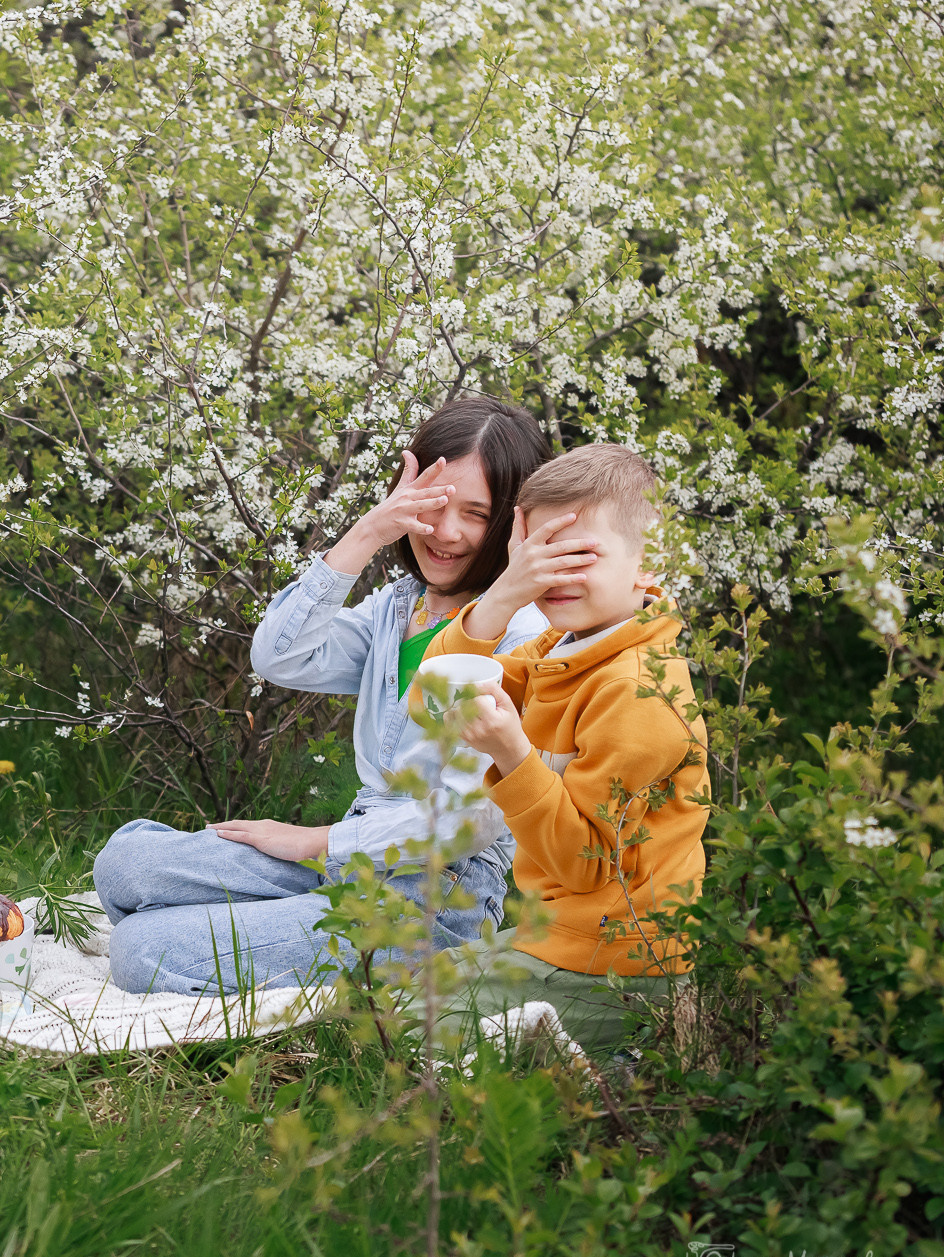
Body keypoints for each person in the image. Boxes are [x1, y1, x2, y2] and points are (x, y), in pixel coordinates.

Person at [93, 397, 552, 996]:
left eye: (476, 513)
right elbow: (280, 656)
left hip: (435, 898)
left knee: (140, 951)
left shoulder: (522, 635)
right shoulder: (398, 608)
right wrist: (365, 534)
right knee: (124, 864)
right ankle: (250, 935)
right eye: (431, 506)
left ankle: (239, 943)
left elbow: (471, 819)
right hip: (350, 857)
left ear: (513, 525)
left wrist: (321, 843)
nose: (446, 532)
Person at [428, 443, 709, 1055]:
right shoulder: (566, 649)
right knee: (391, 1003)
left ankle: (625, 1059)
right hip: (555, 937)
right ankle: (566, 1045)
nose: (555, 574)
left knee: (414, 1039)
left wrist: (513, 755)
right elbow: (432, 697)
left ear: (650, 562)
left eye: (579, 554)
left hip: (620, 963)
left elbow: (586, 865)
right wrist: (503, 595)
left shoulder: (636, 691)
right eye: (539, 554)